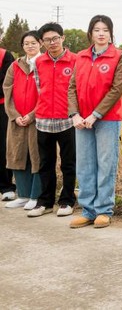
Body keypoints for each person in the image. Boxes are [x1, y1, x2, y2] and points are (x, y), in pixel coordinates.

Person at [68, 15, 122, 229]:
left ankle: (103, 210)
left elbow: (117, 89)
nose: (101, 33)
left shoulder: (118, 56)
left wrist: (96, 114)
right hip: (82, 120)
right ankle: (88, 210)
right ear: (90, 33)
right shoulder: (81, 56)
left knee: (105, 164)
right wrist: (74, 114)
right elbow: (72, 87)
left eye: (105, 30)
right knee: (85, 165)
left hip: (106, 119)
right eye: (97, 30)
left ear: (111, 33)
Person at [29, 22, 78, 218]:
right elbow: (39, 87)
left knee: (68, 163)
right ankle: (45, 202)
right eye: (47, 40)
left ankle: (67, 200)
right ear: (42, 42)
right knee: (45, 163)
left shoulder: (75, 60)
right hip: (44, 120)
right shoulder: (39, 62)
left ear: (62, 38)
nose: (52, 42)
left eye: (55, 38)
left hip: (67, 120)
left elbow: (76, 90)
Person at [3, 31, 43, 209]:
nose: (30, 46)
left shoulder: (44, 63)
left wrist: (32, 115)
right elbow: (7, 90)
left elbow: (47, 92)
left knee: (36, 155)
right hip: (17, 118)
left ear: (40, 43)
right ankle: (23, 194)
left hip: (38, 118)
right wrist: (14, 115)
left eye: (33, 42)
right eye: (26, 43)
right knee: (17, 154)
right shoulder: (15, 65)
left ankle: (36, 195)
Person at [0, 44, 16, 201]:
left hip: (1, 106)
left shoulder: (5, 55)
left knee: (3, 146)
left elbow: (7, 83)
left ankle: (5, 186)